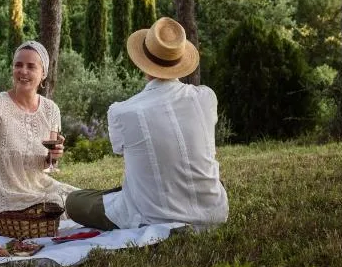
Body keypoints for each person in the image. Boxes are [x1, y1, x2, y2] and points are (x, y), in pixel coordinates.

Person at [66, 17, 229, 230]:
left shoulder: (122, 111)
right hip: (214, 212)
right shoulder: (206, 97)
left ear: (143, 62)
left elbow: (119, 150)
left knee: (74, 201)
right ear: (179, 61)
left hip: (153, 216)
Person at [0, 41, 77, 221]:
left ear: (43, 73)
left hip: (39, 187)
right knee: (59, 207)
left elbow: (47, 164)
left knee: (81, 199)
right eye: (18, 65)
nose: (23, 71)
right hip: (5, 198)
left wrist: (53, 156)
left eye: (31, 66)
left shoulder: (51, 109)